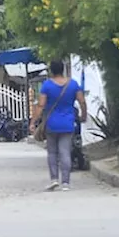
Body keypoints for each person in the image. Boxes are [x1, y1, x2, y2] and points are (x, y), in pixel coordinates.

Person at [33, 60, 87, 191]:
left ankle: (54, 179)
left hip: (51, 123)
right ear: (63, 69)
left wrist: (33, 121)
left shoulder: (47, 85)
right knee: (65, 152)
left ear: (51, 70)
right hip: (68, 123)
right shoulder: (73, 84)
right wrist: (83, 115)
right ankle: (66, 183)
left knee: (52, 152)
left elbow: (40, 105)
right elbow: (82, 101)